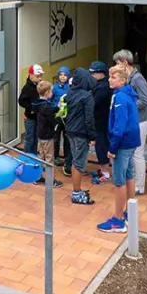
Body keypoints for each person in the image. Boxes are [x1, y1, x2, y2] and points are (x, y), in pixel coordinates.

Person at [97, 64, 141, 234]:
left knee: (119, 180)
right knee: (129, 175)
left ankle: (118, 220)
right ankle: (130, 212)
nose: (109, 80)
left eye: (113, 77)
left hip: (122, 143)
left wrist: (113, 147)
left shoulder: (120, 97)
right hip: (131, 141)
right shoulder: (128, 93)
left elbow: (119, 125)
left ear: (122, 80)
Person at [113, 50, 147, 196]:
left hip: (141, 121)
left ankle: (139, 186)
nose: (116, 66)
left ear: (124, 62)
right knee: (132, 153)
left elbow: (145, 100)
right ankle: (132, 182)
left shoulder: (138, 78)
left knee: (137, 154)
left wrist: (127, 106)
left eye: (117, 63)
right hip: (132, 121)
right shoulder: (127, 77)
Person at [62, 67, 96, 205]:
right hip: (81, 133)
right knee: (79, 163)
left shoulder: (69, 93)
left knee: (75, 160)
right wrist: (92, 136)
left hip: (70, 131)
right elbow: (89, 118)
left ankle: (77, 190)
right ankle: (76, 193)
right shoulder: (87, 97)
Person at [34, 80, 63, 188]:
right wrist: (60, 117)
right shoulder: (47, 107)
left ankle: (37, 177)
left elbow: (48, 110)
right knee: (49, 158)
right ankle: (51, 181)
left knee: (40, 156)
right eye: (51, 91)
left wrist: (57, 107)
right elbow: (53, 120)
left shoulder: (39, 103)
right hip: (48, 136)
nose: (52, 93)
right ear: (47, 93)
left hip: (40, 134)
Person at [89, 61, 112, 184]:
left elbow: (93, 103)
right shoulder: (102, 84)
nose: (91, 75)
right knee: (101, 146)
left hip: (101, 122)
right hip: (103, 121)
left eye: (93, 73)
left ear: (101, 73)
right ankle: (103, 170)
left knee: (101, 147)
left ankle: (105, 173)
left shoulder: (103, 87)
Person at [18, 64, 43, 155]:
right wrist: (31, 108)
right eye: (38, 76)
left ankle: (34, 155)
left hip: (37, 117)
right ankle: (27, 157)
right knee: (29, 139)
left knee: (35, 138)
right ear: (31, 75)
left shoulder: (38, 85)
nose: (40, 78)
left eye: (41, 76)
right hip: (30, 118)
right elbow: (21, 101)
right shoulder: (27, 88)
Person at [51, 66, 70, 165]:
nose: (62, 77)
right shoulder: (54, 87)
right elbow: (50, 100)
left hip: (67, 116)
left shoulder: (70, 87)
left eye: (65, 75)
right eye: (61, 75)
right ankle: (56, 156)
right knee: (56, 137)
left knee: (67, 137)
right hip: (57, 116)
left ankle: (67, 157)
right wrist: (54, 108)